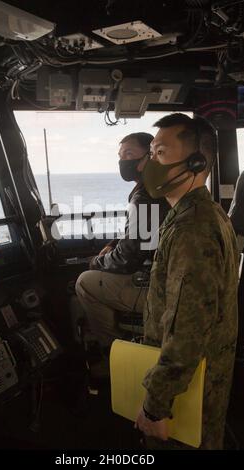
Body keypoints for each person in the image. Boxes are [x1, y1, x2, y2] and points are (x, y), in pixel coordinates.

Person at [135, 113, 239, 450]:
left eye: (160, 153)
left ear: (195, 163)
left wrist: (156, 405)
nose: (149, 164)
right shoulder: (200, 214)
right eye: (150, 154)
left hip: (189, 390)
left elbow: (188, 329)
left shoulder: (192, 229)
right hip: (199, 378)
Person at [75, 132, 169, 350]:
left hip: (155, 288)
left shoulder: (144, 197)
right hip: (157, 275)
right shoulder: (155, 190)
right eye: (120, 155)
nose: (122, 161)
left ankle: (114, 350)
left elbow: (127, 260)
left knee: (85, 282)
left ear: (149, 157)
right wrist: (115, 243)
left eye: (129, 154)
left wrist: (96, 262)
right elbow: (142, 233)